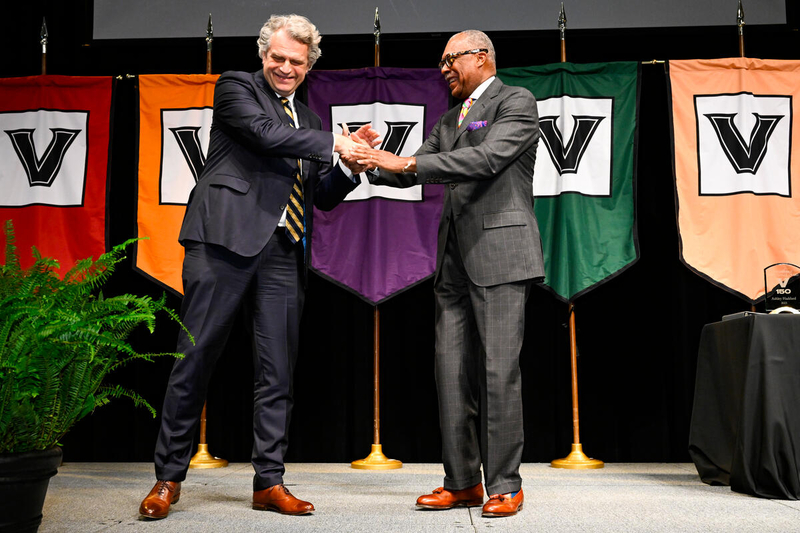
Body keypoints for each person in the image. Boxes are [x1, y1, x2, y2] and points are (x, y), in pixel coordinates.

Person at [139, 14, 376, 519]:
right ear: (263, 54)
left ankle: (269, 481)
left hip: (284, 250)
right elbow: (266, 135)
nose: (286, 68)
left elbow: (320, 196)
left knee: (277, 371)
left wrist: (350, 166)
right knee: (194, 359)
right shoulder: (236, 88)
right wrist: (337, 143)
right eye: (278, 58)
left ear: (309, 65)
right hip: (221, 242)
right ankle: (167, 478)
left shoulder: (310, 121)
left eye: (297, 62)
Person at [352, 29, 543, 518]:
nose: (443, 69)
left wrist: (405, 161)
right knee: (451, 372)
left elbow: (487, 158)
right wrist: (364, 159)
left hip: (501, 254)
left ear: (481, 57)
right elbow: (408, 169)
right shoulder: (449, 118)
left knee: (498, 371)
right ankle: (461, 482)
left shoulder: (516, 101)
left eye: (449, 60)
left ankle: (505, 485)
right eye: (441, 62)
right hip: (454, 262)